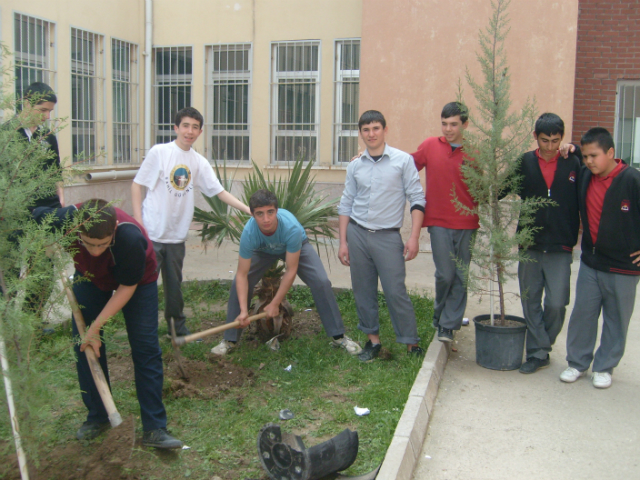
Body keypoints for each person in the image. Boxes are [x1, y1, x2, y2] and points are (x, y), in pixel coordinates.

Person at [32, 199, 182, 448]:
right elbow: (36, 215)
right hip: (90, 277)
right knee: (85, 346)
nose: (96, 250)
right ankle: (98, 416)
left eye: (102, 244)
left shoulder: (130, 238)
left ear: (113, 230)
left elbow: (127, 288)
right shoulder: (66, 219)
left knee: (145, 347)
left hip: (137, 281)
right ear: (77, 229)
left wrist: (96, 326)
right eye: (89, 243)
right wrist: (44, 241)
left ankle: (155, 428)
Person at [131, 107, 250, 337]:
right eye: (185, 125)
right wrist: (139, 222)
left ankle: (177, 330)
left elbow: (219, 192)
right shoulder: (160, 152)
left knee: (174, 288)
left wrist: (248, 209)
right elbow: (138, 185)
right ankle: (142, 330)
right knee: (145, 286)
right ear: (176, 128)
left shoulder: (198, 162)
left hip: (177, 236)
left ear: (200, 131)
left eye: (195, 127)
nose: (190, 131)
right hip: (152, 233)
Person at [210, 189, 362, 357]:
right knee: (237, 284)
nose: (266, 219)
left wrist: (275, 303)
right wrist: (243, 311)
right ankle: (230, 340)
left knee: (321, 281)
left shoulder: (291, 228)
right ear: (252, 214)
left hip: (296, 247)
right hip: (262, 250)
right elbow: (241, 274)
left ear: (276, 210)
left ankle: (338, 336)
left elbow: (291, 270)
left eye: (270, 212)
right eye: (259, 214)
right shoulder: (249, 233)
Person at [338, 110, 426, 362]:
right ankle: (372, 341)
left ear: (385, 130)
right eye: (366, 129)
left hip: (387, 236)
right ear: (361, 133)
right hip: (357, 234)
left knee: (395, 290)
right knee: (363, 289)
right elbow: (346, 203)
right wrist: (343, 242)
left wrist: (414, 237)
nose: (371, 134)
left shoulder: (402, 161)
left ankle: (411, 342)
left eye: (376, 128)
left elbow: (417, 198)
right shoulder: (355, 165)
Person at [560, 127, 640, 389]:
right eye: (585, 156)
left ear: (611, 153)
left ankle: (605, 367)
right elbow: (572, 151)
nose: (589, 161)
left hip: (624, 266)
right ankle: (577, 363)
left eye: (594, 156)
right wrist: (570, 148)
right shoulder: (585, 175)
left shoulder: (632, 179)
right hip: (591, 262)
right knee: (583, 313)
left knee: (616, 318)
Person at [511, 113, 582, 374]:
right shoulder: (525, 162)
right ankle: (538, 354)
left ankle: (541, 345)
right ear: (535, 137)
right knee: (530, 301)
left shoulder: (573, 162)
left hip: (561, 246)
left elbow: (596, 163)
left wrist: (578, 147)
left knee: (556, 303)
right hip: (529, 243)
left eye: (556, 141)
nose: (550, 147)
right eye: (545, 141)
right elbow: (501, 188)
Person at [411, 102, 478, 343]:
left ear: (465, 124)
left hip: (468, 223)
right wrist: (366, 157)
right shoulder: (430, 146)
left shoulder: (475, 152)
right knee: (445, 274)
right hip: (438, 221)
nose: (448, 129)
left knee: (461, 275)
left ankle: (447, 325)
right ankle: (440, 314)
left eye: (453, 124)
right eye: (444, 124)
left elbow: (484, 188)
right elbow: (405, 165)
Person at [11, 82, 65, 210]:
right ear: (27, 104)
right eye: (43, 110)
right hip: (20, 206)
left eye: (50, 111)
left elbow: (56, 169)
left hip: (50, 204)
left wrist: (61, 196)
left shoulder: (48, 136)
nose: (47, 116)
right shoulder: (8, 134)